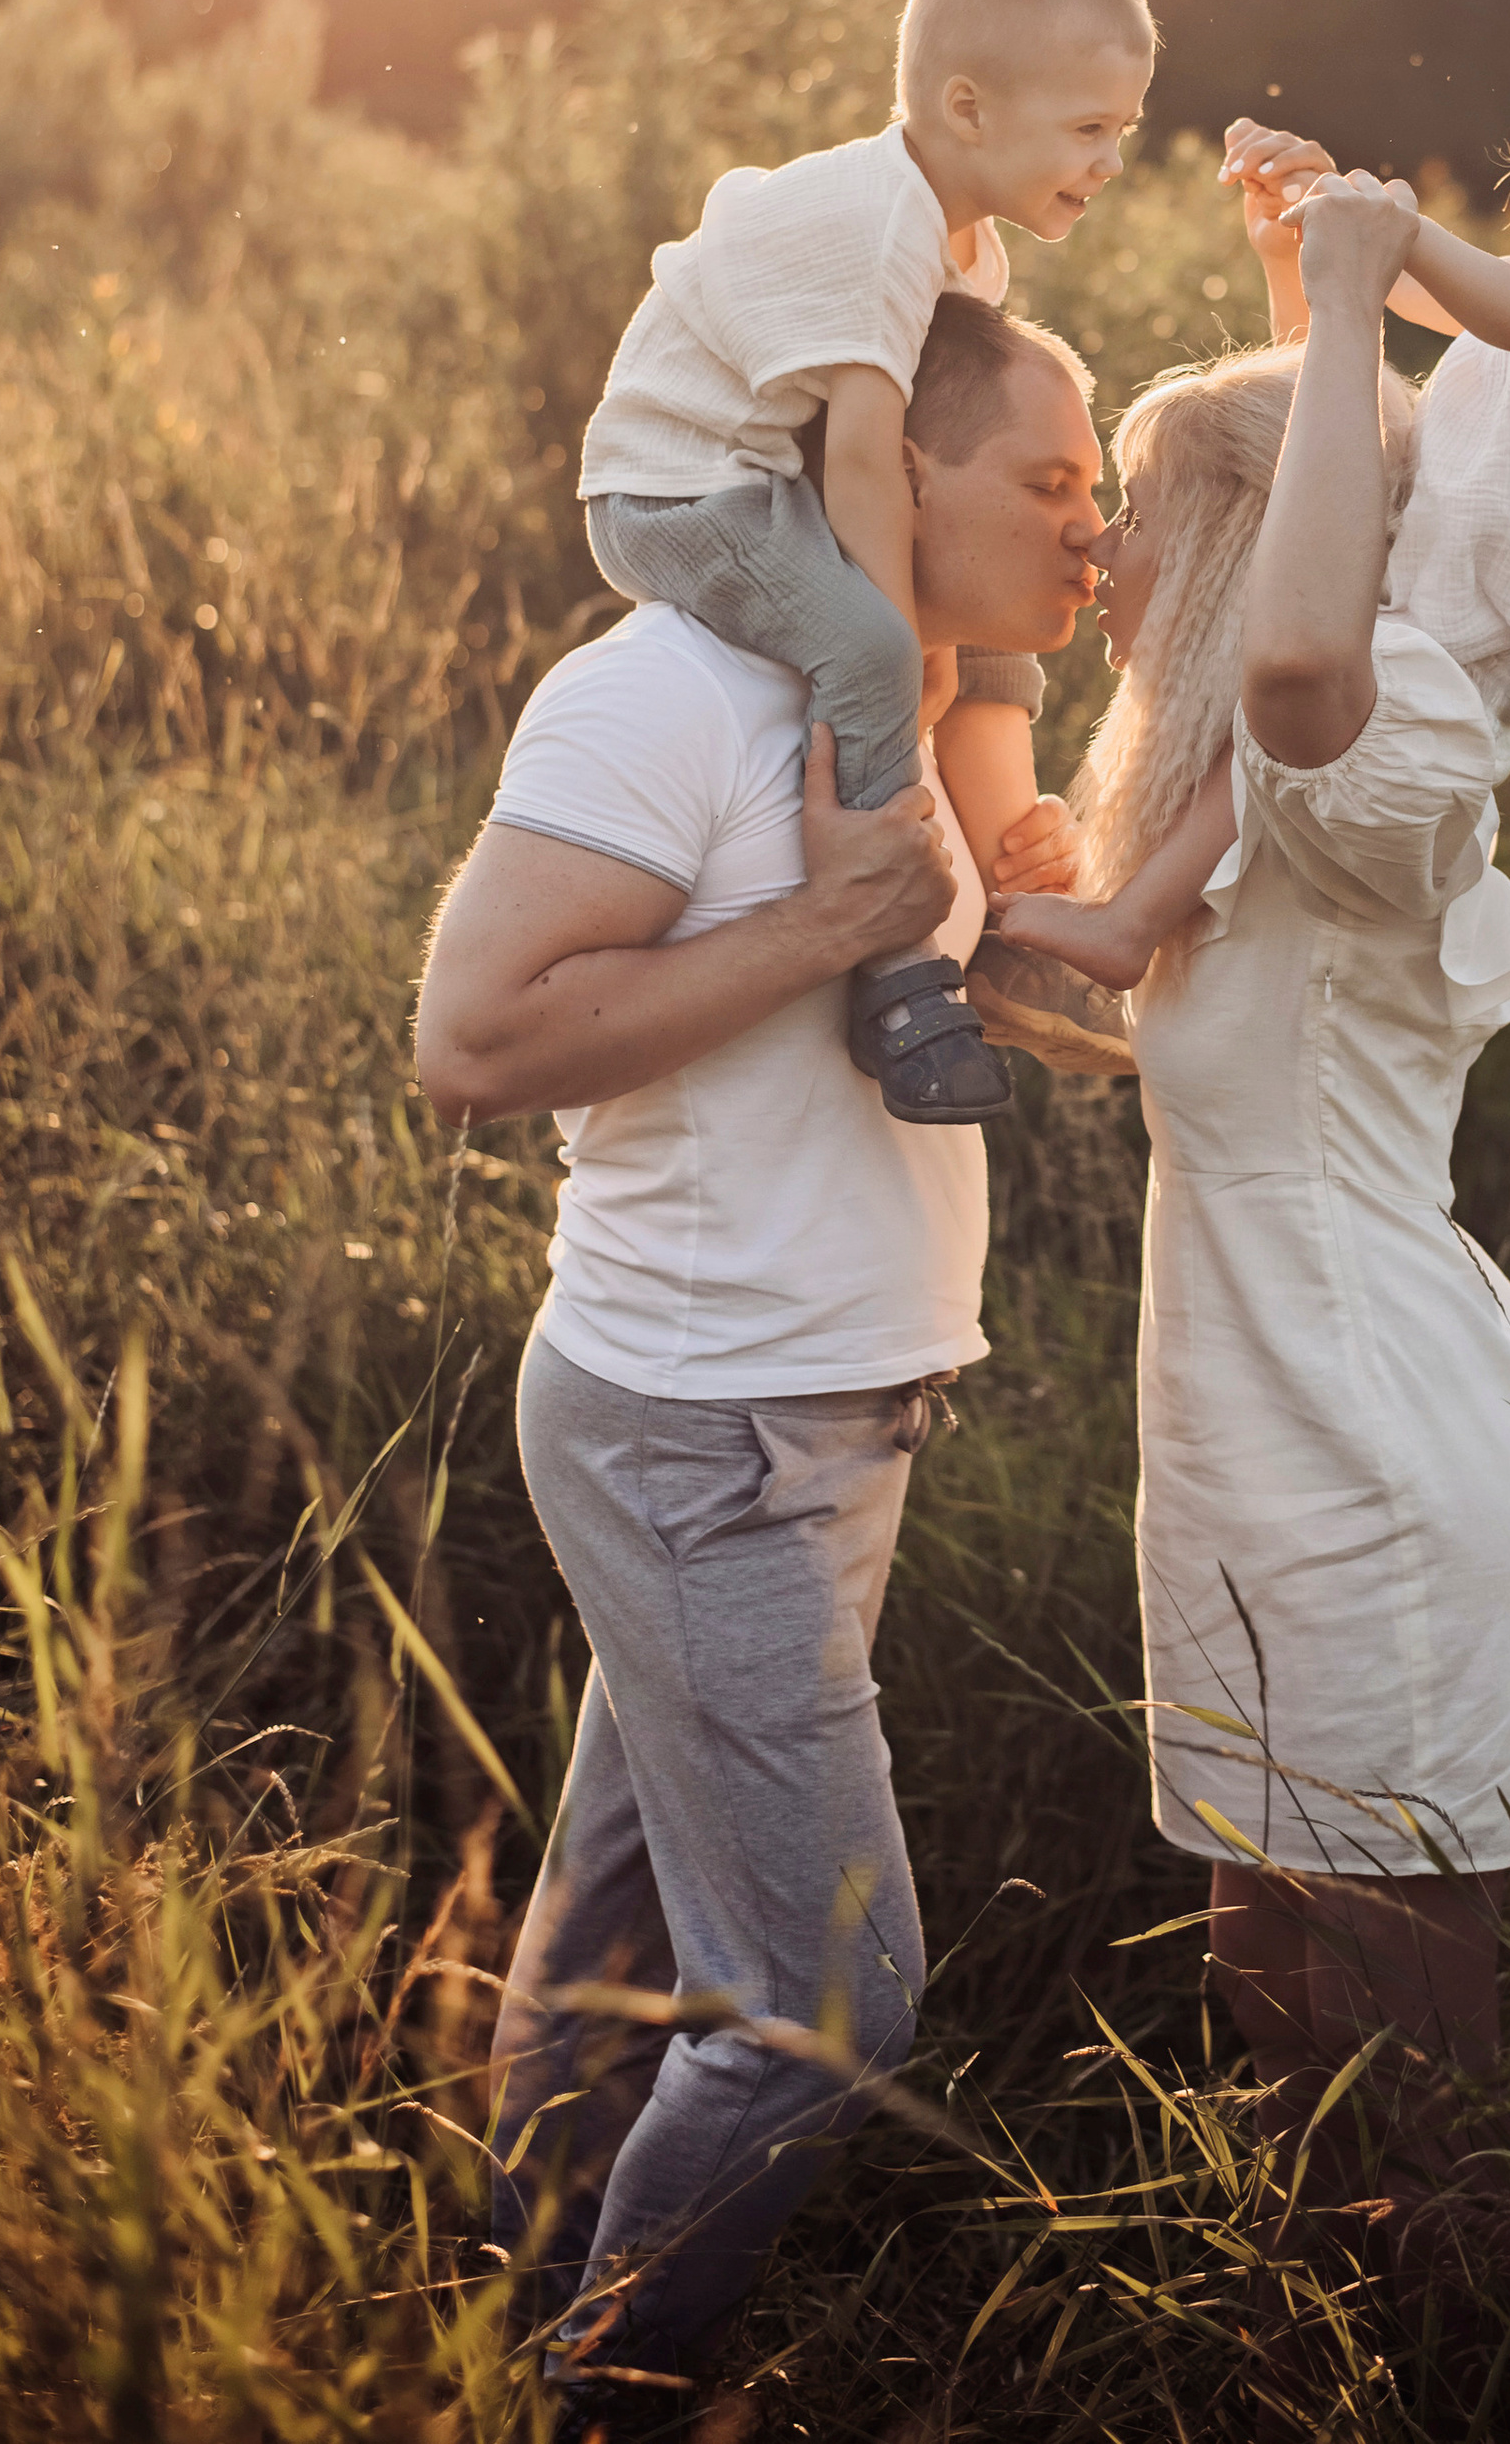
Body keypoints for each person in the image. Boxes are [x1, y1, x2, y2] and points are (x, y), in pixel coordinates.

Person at [414, 294, 1106, 2444]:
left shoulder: (893, 722)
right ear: (896, 478)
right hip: (701, 1428)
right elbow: (473, 1041)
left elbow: (899, 1019)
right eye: (1054, 486)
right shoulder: (663, 700)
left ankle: (507, 2310)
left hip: (824, 1413)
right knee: (817, 2004)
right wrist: (819, 932)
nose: (1089, 538)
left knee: (624, 1924)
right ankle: (591, 2401)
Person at [1066, 173, 1510, 2297]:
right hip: (1246, 1462)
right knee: (1265, 1985)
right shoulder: (1211, 828)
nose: (1100, 552)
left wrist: (1356, 296)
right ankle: (1301, 2357)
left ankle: (1458, 2381)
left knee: (1406, 2081)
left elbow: (1295, 642)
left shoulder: (1374, 766)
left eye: (1136, 518)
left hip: (1371, 1460)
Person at [996, 10, 1510, 997]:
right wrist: (1303, 217)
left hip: (1457, 657)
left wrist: (1377, 219)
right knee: (1251, 740)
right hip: (1398, 612)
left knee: (1264, 730)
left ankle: (1129, 922)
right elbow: (1346, 378)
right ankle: (1128, 912)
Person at [577, 0, 1153, 1118]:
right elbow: (858, 464)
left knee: (979, 610)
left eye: (1124, 133)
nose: (1110, 164)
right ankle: (896, 976)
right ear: (967, 110)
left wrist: (954, 631)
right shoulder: (882, 228)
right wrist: (900, 649)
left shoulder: (970, 247)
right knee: (876, 643)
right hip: (677, 489)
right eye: (1089, 132)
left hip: (762, 473)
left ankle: (1017, 917)